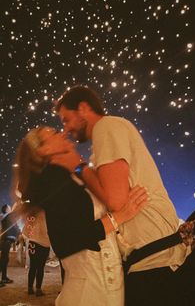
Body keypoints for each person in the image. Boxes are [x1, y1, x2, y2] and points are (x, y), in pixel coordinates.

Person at [53, 84, 188, 306]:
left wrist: (78, 166)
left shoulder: (106, 127)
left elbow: (116, 200)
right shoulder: (111, 132)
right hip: (154, 259)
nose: (66, 129)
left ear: (84, 108)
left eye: (66, 119)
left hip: (154, 262)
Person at [12, 126, 147, 306]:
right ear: (43, 150)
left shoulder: (63, 177)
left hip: (97, 285)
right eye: (54, 134)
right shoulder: (53, 177)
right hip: (92, 290)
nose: (63, 133)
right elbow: (66, 243)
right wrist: (119, 216)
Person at [22, 209, 50, 296]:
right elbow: (47, 230)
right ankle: (38, 289)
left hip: (32, 244)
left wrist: (32, 236)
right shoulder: (46, 213)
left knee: (33, 266)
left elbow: (25, 232)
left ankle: (30, 288)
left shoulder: (31, 213)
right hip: (44, 244)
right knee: (40, 267)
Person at [0, 204, 20, 287]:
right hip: (6, 241)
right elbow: (16, 212)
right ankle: (3, 278)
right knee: (3, 260)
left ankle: (4, 278)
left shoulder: (6, 217)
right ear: (6, 210)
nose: (10, 209)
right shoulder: (8, 216)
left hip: (5, 241)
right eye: (9, 207)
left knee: (5, 260)